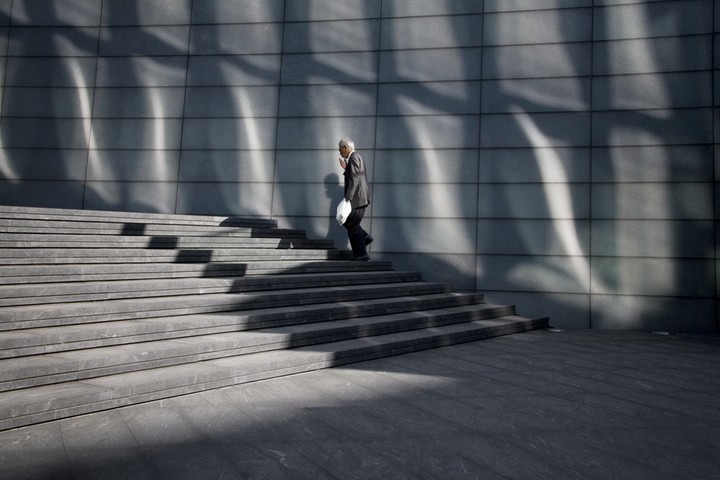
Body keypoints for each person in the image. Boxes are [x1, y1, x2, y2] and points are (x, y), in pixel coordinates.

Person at [337, 137, 372, 261]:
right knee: (350, 223)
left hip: (358, 198)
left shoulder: (354, 157)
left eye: (340, 150)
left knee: (351, 225)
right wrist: (346, 168)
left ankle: (361, 254)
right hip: (359, 198)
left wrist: (348, 198)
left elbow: (355, 179)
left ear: (346, 148)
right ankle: (365, 238)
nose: (340, 152)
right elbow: (353, 175)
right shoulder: (353, 158)